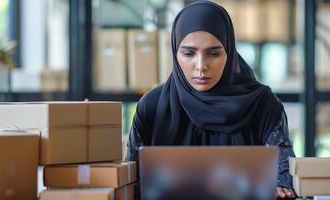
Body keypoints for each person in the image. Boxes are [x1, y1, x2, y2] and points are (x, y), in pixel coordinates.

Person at [126, 1, 296, 199]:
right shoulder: (152, 107)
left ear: (230, 51)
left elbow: (285, 177)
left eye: (214, 53)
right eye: (188, 53)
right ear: (175, 51)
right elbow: (130, 184)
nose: (201, 66)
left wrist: (281, 188)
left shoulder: (261, 105)